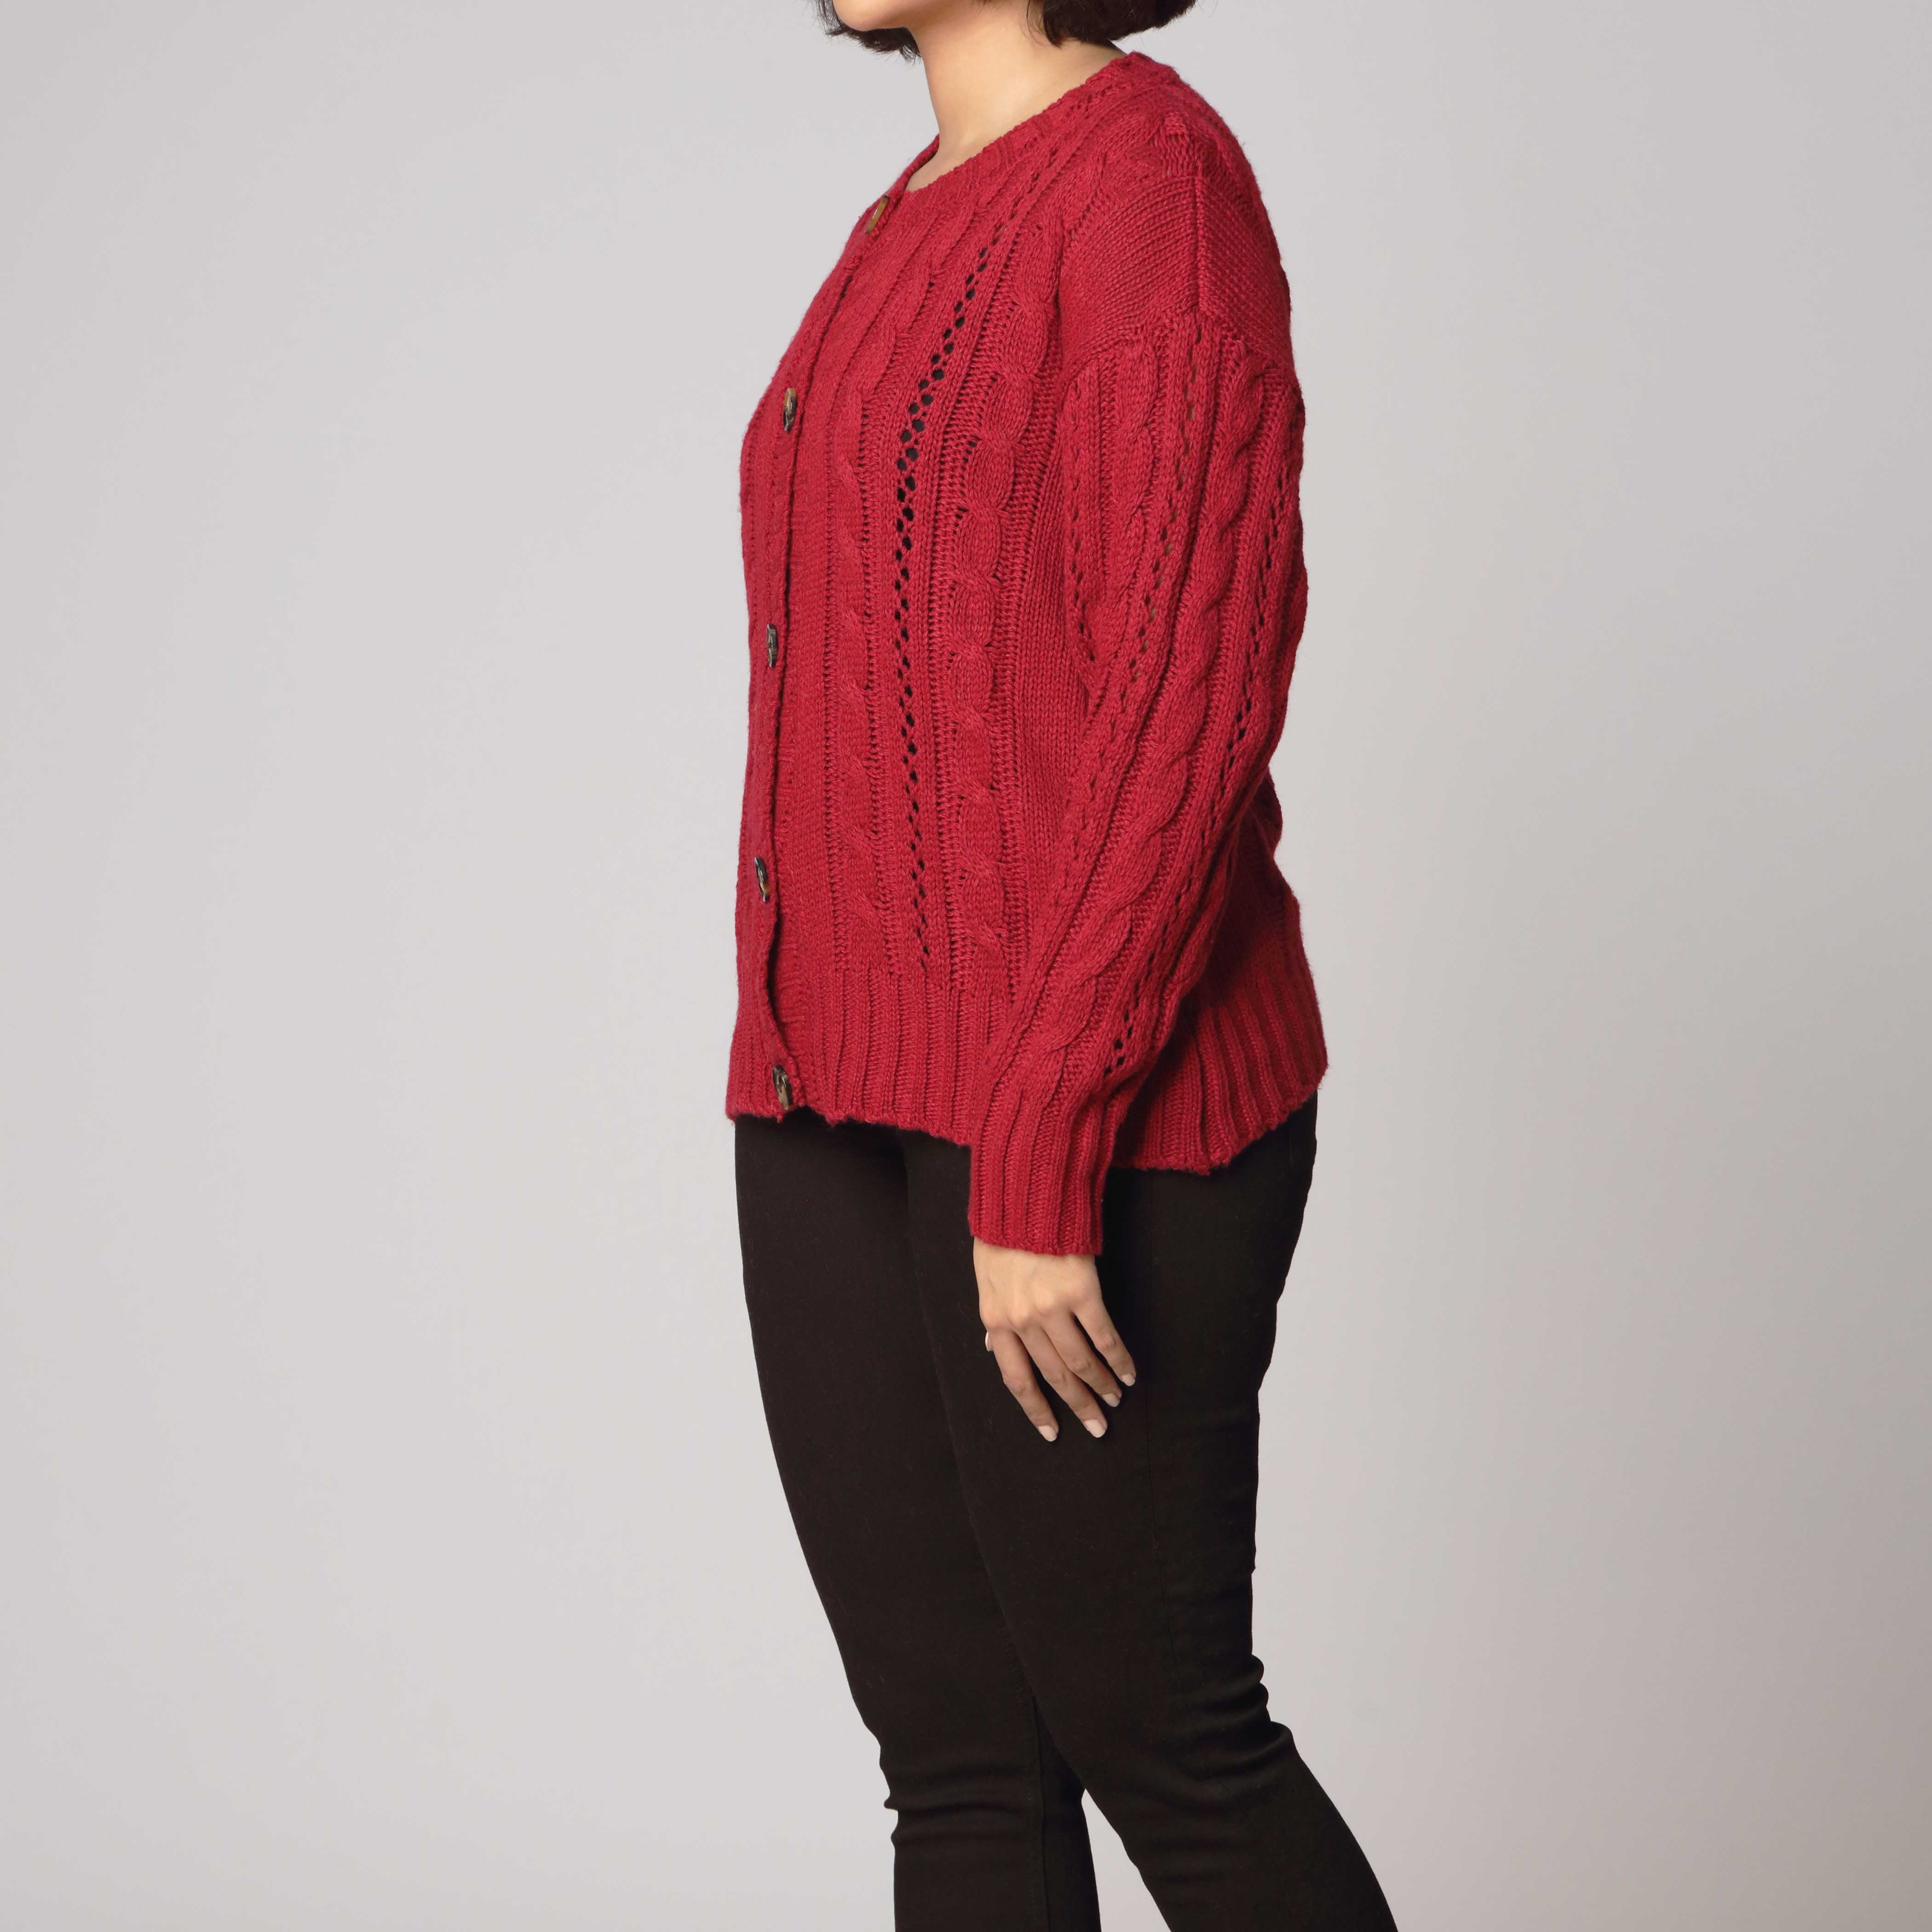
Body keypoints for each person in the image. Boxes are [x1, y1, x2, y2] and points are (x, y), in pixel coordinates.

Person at [728, 3, 1399, 1925]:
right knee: (955, 1762)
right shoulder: (908, 213)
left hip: (1100, 1118)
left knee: (1166, 1738)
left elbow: (1189, 694)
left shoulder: (1149, 188)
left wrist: (1041, 1149)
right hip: (834, 1098)